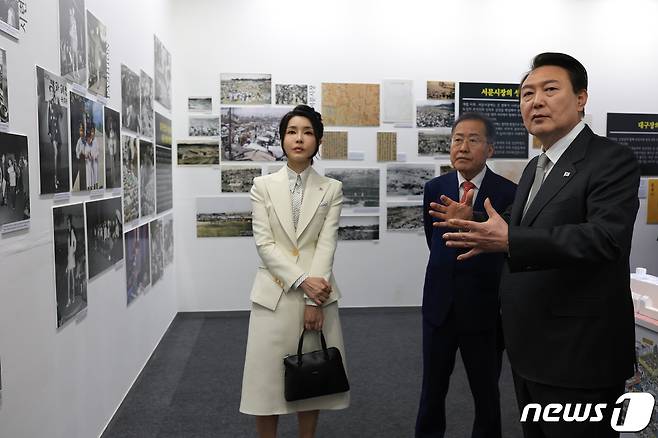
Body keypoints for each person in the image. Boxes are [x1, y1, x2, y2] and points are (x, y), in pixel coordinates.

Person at [435, 53, 640, 438]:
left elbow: (604, 238)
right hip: (530, 348)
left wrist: (509, 239)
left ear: (581, 98)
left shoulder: (611, 159)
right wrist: (475, 221)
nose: (535, 101)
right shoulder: (535, 166)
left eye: (550, 89)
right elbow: (519, 225)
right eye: (527, 93)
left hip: (578, 353)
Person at [240, 105, 349, 438]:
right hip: (274, 296)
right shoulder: (262, 186)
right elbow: (265, 244)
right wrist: (304, 282)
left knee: (311, 379)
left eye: (307, 132)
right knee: (265, 388)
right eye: (291, 131)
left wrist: (314, 301)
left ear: (317, 141)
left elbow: (326, 245)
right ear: (282, 139)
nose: (299, 138)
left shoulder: (331, 188)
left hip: (316, 299)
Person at [416, 113, 516, 438]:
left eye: (473, 139)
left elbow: (506, 245)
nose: (463, 146)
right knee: (431, 391)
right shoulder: (436, 188)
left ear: (489, 149)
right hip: (439, 307)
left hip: (485, 310)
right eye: (457, 139)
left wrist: (468, 217)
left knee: (486, 394)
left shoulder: (508, 193)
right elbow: (436, 243)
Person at [66, 215, 77, 307]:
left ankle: (72, 298)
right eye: (67, 223)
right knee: (69, 279)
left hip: (71, 257)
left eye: (69, 222)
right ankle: (70, 299)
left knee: (72, 278)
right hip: (69, 257)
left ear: (70, 223)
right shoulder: (68, 232)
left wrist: (73, 251)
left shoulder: (72, 231)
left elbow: (75, 242)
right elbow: (68, 247)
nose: (68, 224)